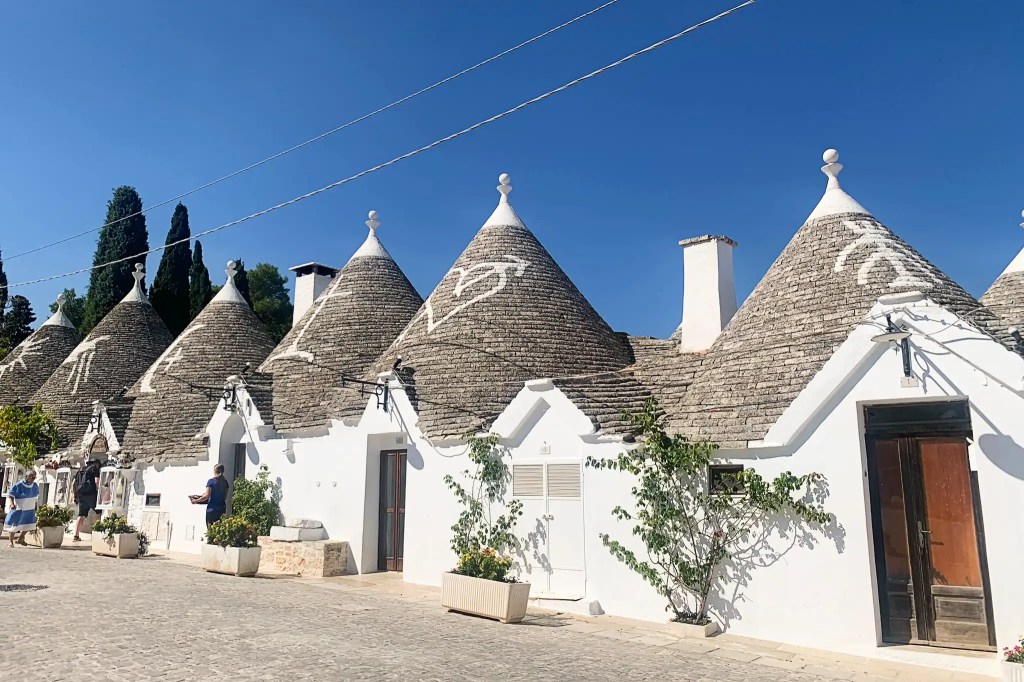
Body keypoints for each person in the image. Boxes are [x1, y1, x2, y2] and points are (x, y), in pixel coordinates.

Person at [5, 470, 39, 547]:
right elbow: (11, 495)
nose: (33, 479)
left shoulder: (35, 485)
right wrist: (12, 504)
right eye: (31, 477)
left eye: (34, 477)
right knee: (14, 524)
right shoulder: (19, 485)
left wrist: (35, 506)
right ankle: (11, 542)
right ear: (26, 477)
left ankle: (21, 538)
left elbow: (35, 497)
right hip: (19, 508)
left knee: (29, 524)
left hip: (30, 508)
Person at [72, 459, 101, 542]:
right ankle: (99, 534)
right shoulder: (94, 469)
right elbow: (97, 482)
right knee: (99, 512)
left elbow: (73, 483)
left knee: (81, 515)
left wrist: (75, 496)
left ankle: (76, 535)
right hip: (91, 494)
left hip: (81, 494)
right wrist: (100, 492)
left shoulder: (81, 469)